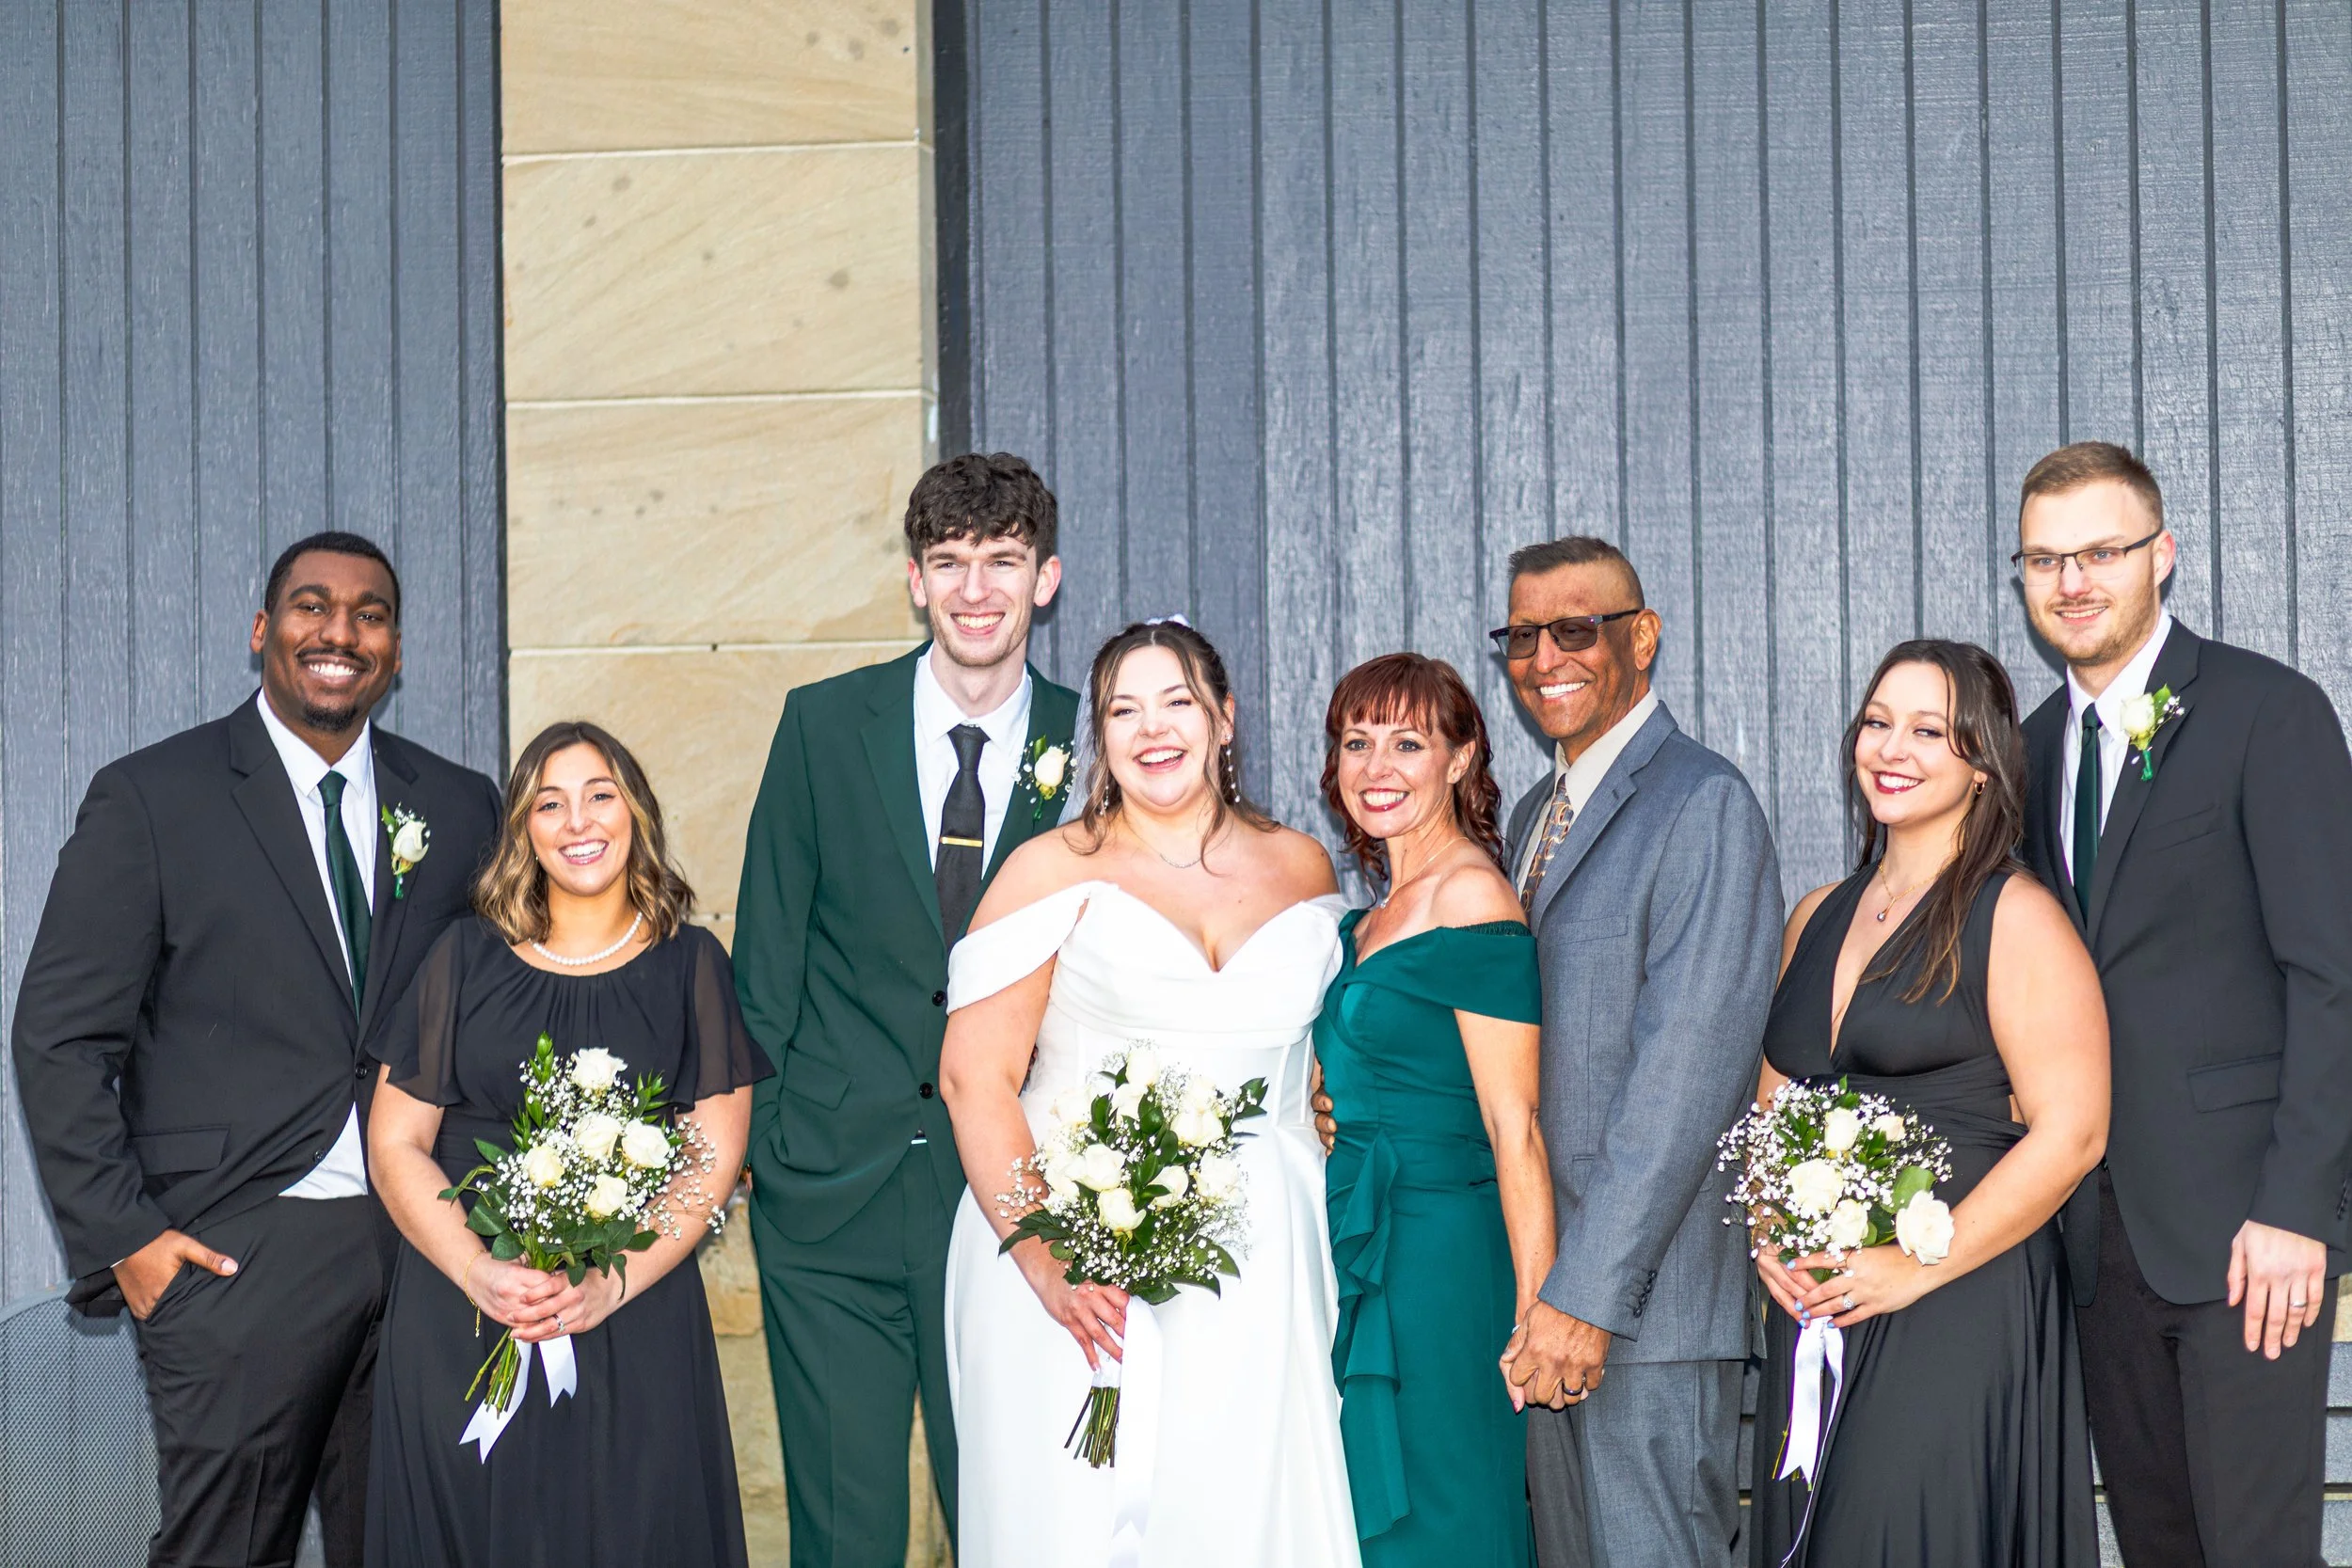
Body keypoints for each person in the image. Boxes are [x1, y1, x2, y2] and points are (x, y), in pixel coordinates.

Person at [9, 531, 501, 1567]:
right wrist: (131, 1241)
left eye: (369, 614)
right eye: (312, 605)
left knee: (415, 1545)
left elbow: (495, 1016)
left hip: (424, 1251)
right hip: (238, 1253)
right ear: (261, 630)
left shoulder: (460, 807)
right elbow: (59, 1033)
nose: (340, 632)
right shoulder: (154, 796)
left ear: (395, 649)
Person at [937, 619, 1359, 1567]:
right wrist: (1046, 1256)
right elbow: (974, 1077)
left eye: (1177, 701)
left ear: (1224, 718)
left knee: (1244, 1513)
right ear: (1100, 733)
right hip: (1081, 1253)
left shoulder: (1302, 863)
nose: (1152, 728)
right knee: (1081, 1521)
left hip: (1270, 1254)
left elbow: (1317, 1042)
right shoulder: (1049, 868)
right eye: (1123, 710)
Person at [733, 451, 1081, 1565]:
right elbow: (768, 952)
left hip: (1014, 1199)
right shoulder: (823, 726)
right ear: (915, 580)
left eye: (1003, 560)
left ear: (1045, 579)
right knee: (845, 1530)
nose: (976, 589)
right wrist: (768, 1148)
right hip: (828, 1195)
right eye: (950, 561)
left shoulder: (1095, 742)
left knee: (1011, 1520)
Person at [2011, 442, 2352, 1567]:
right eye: (2044, 559)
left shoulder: (2266, 711)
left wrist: (2298, 1207)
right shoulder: (2028, 752)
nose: (2072, 582)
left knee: (2257, 1550)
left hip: (2246, 1234)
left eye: (2100, 552)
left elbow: (2332, 974)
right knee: (2158, 1546)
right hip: (2090, 1240)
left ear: (2161, 554)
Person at [364, 721, 770, 1566]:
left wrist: (607, 1285)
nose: (577, 821)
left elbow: (710, 1159)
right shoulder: (462, 957)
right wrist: (480, 1271)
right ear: (524, 828)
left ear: (636, 812)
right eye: (549, 803)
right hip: (463, 1316)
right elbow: (396, 1141)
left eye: (599, 795)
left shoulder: (692, 963)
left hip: (632, 1318)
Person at [1747, 641, 2106, 1565]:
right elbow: (1774, 1110)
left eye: (1927, 730)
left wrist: (1911, 1267)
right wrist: (1769, 1235)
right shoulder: (1815, 914)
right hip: (1822, 1306)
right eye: (1877, 722)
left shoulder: (2015, 916)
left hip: (1953, 1301)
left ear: (1982, 763)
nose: (1890, 747)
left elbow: (2072, 1133)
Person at [1494, 536, 1782, 1568]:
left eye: (1575, 628)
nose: (1544, 658)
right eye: (1521, 635)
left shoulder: (1702, 803)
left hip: (1643, 1314)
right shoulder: (1533, 816)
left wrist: (1585, 1295)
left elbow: (1685, 1078)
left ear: (1642, 636)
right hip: (1545, 1300)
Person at [1315, 653, 1554, 1568]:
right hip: (1358, 1241)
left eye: (1407, 743)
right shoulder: (1364, 919)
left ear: (1460, 759)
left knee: (1444, 1503)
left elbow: (1514, 1125)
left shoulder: (1470, 896)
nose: (1377, 766)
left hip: (1440, 1257)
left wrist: (1536, 1309)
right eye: (1357, 742)